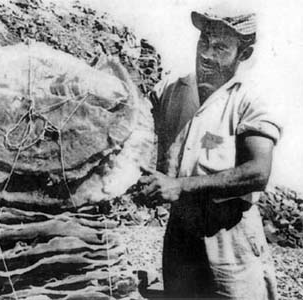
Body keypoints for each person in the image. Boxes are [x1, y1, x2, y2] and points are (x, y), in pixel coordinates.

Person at [142, 5, 281, 299]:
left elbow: (258, 172)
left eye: (220, 47)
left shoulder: (250, 99)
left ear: (244, 54)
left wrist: (180, 185)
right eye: (204, 42)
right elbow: (134, 119)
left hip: (230, 238)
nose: (206, 54)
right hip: (180, 232)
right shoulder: (172, 89)